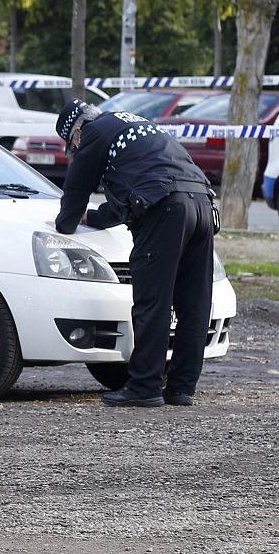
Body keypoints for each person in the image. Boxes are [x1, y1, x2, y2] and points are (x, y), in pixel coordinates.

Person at [53, 98, 216, 408]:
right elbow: (131, 193)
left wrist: (65, 224)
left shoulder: (93, 134)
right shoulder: (131, 124)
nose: (75, 149)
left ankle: (144, 386)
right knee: (194, 303)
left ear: (75, 132)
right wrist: (94, 218)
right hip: (202, 204)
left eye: (71, 144)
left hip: (166, 209)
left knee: (152, 301)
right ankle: (181, 387)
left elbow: (75, 190)